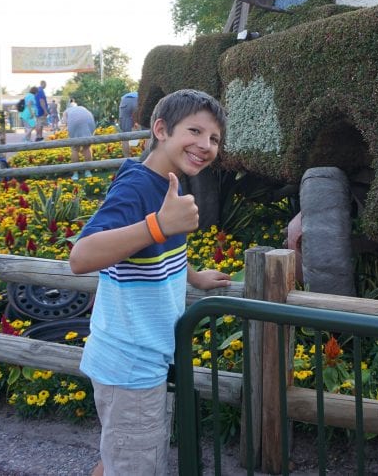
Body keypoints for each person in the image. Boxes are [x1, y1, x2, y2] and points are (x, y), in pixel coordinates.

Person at [69, 89, 231, 476]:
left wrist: (194, 276)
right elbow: (81, 257)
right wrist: (158, 225)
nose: (205, 145)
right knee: (136, 466)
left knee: (118, 458)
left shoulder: (165, 183)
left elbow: (158, 251)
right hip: (131, 365)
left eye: (214, 139)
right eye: (195, 131)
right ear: (161, 129)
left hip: (141, 360)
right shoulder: (138, 187)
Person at [64, 102, 96, 181]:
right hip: (89, 120)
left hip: (75, 123)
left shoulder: (67, 111)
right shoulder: (82, 107)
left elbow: (65, 122)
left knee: (75, 148)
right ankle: (88, 172)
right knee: (87, 147)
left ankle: (75, 174)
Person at [118, 90, 138, 158]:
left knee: (125, 135)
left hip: (125, 101)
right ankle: (147, 159)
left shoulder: (125, 97)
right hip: (139, 100)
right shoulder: (142, 93)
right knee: (148, 133)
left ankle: (127, 159)